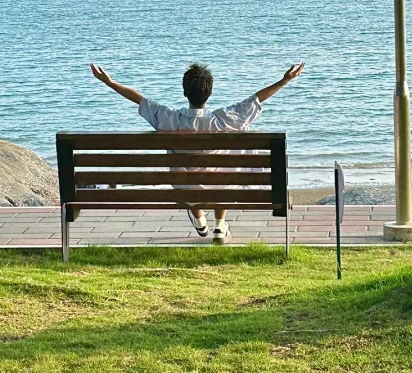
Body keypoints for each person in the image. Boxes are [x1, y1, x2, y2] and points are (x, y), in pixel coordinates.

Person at [89, 60, 304, 243]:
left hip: (186, 187)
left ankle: (200, 221)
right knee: (224, 170)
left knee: (187, 175)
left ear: (184, 92)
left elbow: (140, 100)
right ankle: (220, 227)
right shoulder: (224, 119)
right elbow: (256, 99)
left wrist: (110, 82)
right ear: (210, 92)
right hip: (222, 186)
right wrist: (284, 80)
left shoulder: (170, 119)